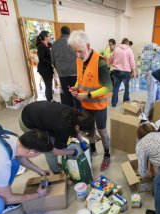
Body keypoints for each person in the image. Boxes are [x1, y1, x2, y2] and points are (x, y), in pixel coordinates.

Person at [68, 30, 112, 171]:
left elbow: (108, 87)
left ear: (88, 45)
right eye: (75, 52)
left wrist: (89, 95)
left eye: (80, 51)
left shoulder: (100, 62)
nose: (78, 55)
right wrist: (75, 88)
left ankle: (107, 155)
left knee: (102, 131)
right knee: (89, 129)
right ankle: (92, 149)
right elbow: (80, 78)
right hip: (85, 105)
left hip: (98, 106)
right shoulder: (79, 60)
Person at [19, 101, 95, 174]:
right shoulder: (62, 128)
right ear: (78, 127)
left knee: (56, 140)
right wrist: (73, 152)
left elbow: (76, 130)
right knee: (49, 150)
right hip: (27, 121)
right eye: (83, 133)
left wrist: (81, 141)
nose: (82, 134)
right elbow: (55, 151)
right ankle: (56, 170)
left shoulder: (75, 114)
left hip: (34, 110)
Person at [51, 26, 81, 110]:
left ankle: (68, 111)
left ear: (61, 32)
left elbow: (52, 60)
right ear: (69, 33)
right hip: (75, 73)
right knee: (76, 92)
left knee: (66, 93)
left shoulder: (55, 44)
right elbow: (80, 57)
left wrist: (59, 68)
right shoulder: (74, 43)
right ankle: (78, 111)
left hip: (62, 74)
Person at [109, 38, 136, 107]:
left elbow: (111, 58)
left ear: (122, 42)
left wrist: (112, 63)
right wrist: (133, 70)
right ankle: (126, 101)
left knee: (115, 87)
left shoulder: (116, 49)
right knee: (127, 87)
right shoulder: (129, 50)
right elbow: (132, 61)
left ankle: (114, 103)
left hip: (116, 71)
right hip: (126, 72)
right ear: (127, 43)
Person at [36, 30, 54, 101]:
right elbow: (42, 59)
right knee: (48, 86)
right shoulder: (41, 46)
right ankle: (49, 101)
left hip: (48, 68)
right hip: (44, 69)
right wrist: (51, 63)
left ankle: (51, 100)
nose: (50, 37)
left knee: (49, 85)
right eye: (49, 36)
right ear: (45, 37)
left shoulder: (47, 45)